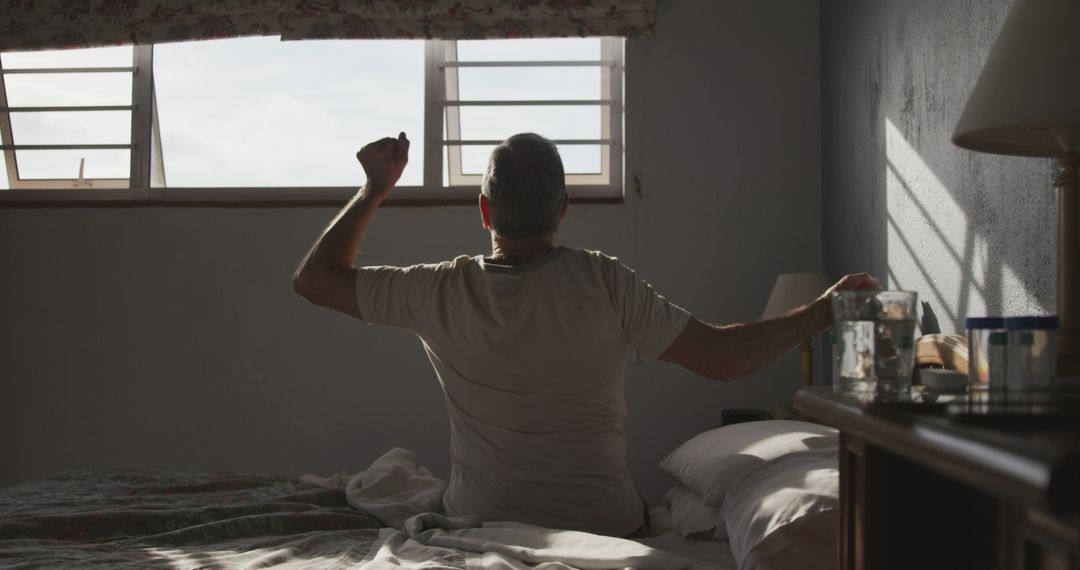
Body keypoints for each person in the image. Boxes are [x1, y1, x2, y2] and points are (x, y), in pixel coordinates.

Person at [293, 131, 879, 538]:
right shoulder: (604, 280)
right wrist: (822, 312)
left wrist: (375, 186)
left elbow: (315, 281)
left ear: (484, 211)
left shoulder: (437, 289)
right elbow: (722, 359)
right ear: (564, 209)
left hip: (478, 524)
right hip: (607, 526)